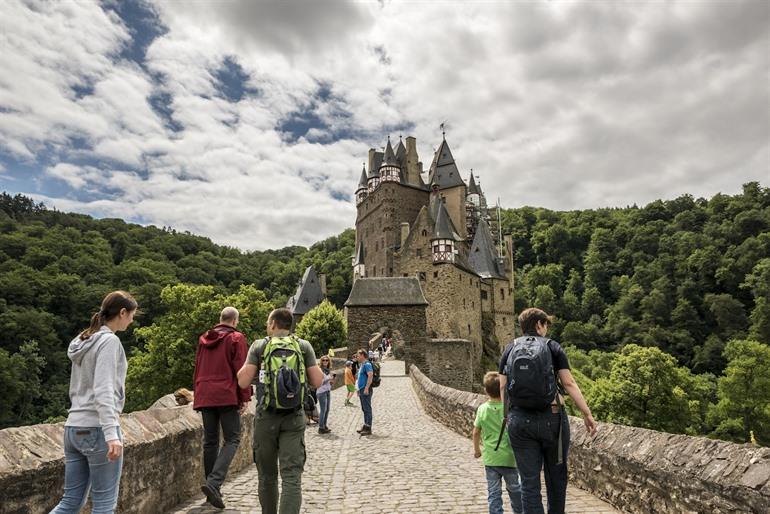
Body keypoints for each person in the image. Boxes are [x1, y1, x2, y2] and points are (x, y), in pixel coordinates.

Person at [499, 308, 597, 514]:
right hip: (552, 419)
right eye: (546, 325)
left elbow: (503, 387)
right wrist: (586, 413)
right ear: (538, 325)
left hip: (518, 420)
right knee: (556, 479)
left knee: (529, 483)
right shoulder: (553, 347)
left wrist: (507, 417)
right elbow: (568, 383)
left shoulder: (509, 348)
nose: (546, 329)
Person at [50, 291, 138, 514]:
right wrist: (111, 434)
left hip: (73, 428)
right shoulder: (109, 342)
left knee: (70, 502)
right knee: (104, 504)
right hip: (97, 429)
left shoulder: (84, 340)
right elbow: (103, 389)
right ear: (122, 312)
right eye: (132, 315)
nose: (132, 320)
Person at [237, 308, 323, 514]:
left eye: (268, 323)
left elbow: (242, 381)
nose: (267, 326)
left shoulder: (260, 346)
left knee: (267, 476)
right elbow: (317, 380)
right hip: (293, 418)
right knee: (291, 477)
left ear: (274, 324)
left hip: (266, 417)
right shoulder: (303, 346)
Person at [193, 306, 251, 509]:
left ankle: (212, 494)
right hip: (226, 394)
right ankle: (213, 483)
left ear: (220, 319)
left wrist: (198, 394)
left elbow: (198, 367)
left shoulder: (203, 338)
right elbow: (241, 369)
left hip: (205, 394)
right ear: (234, 321)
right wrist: (244, 397)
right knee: (233, 438)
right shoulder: (236, 338)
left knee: (210, 441)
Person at [474, 372, 523, 514]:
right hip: (510, 457)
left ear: (485, 390)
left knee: (494, 492)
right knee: (515, 489)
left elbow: (476, 432)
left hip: (491, 458)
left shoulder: (482, 409)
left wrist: (477, 450)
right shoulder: (509, 408)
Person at [355, 349, 374, 436]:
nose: (357, 357)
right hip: (362, 389)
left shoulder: (367, 364)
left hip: (366, 389)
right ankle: (365, 425)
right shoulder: (362, 365)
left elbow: (370, 376)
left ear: (362, 355)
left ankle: (368, 428)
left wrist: (366, 388)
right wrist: (358, 389)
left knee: (367, 409)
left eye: (358, 355)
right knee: (364, 409)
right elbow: (360, 378)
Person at [316, 355, 335, 434]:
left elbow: (329, 383)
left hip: (327, 391)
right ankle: (321, 428)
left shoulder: (328, 370)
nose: (325, 362)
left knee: (327, 410)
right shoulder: (319, 370)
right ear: (321, 361)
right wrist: (329, 378)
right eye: (323, 360)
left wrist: (331, 381)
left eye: (326, 360)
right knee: (323, 410)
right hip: (321, 392)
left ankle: (324, 425)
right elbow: (319, 382)